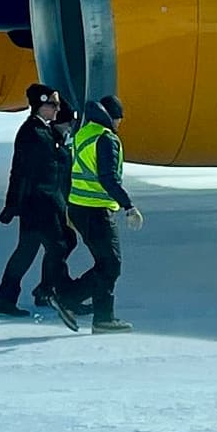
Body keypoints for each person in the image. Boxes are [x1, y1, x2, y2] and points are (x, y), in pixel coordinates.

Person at [57, 94, 140, 333]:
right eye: (118, 120)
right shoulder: (106, 139)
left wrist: (67, 206)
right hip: (96, 210)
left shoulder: (82, 134)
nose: (119, 126)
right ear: (112, 118)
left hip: (79, 207)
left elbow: (66, 172)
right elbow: (108, 179)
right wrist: (129, 206)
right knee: (111, 265)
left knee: (106, 263)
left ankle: (103, 317)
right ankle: (69, 299)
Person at [0, 86, 75, 316]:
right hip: (40, 204)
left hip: (40, 204)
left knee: (27, 251)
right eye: (54, 105)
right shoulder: (33, 133)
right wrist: (11, 204)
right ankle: (49, 291)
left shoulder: (42, 132)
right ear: (41, 105)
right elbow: (21, 172)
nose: (57, 109)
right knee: (58, 246)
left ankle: (6, 298)